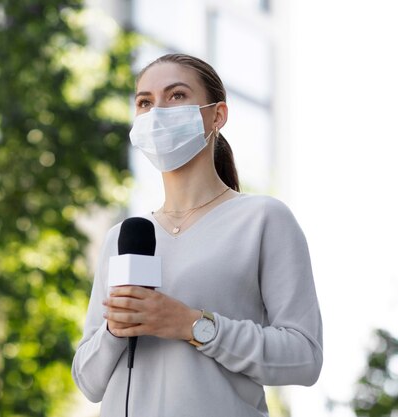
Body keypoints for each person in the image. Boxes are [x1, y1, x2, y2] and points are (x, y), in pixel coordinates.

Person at [71, 53, 322, 416]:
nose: (157, 111)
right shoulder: (123, 237)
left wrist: (191, 325)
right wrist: (114, 331)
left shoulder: (262, 219)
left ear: (217, 115)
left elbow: (304, 357)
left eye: (176, 96)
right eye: (145, 102)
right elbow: (88, 381)